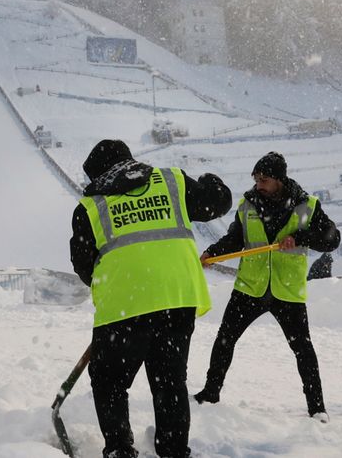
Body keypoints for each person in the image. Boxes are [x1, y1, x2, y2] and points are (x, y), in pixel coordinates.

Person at [70, 139, 232, 458]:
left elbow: (83, 265)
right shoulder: (172, 181)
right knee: (169, 380)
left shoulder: (89, 207)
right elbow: (218, 203)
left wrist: (118, 282)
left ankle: (119, 449)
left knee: (110, 380)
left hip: (123, 306)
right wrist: (211, 179)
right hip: (177, 299)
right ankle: (173, 451)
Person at [193, 152, 341, 423]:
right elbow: (234, 239)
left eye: (265, 179)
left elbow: (331, 239)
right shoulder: (247, 205)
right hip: (250, 287)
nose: (259, 184)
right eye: (256, 179)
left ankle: (317, 407)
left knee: (303, 349)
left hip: (287, 291)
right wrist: (212, 253)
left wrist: (300, 238)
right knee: (224, 340)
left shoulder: (307, 205)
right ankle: (210, 393)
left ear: (280, 180)